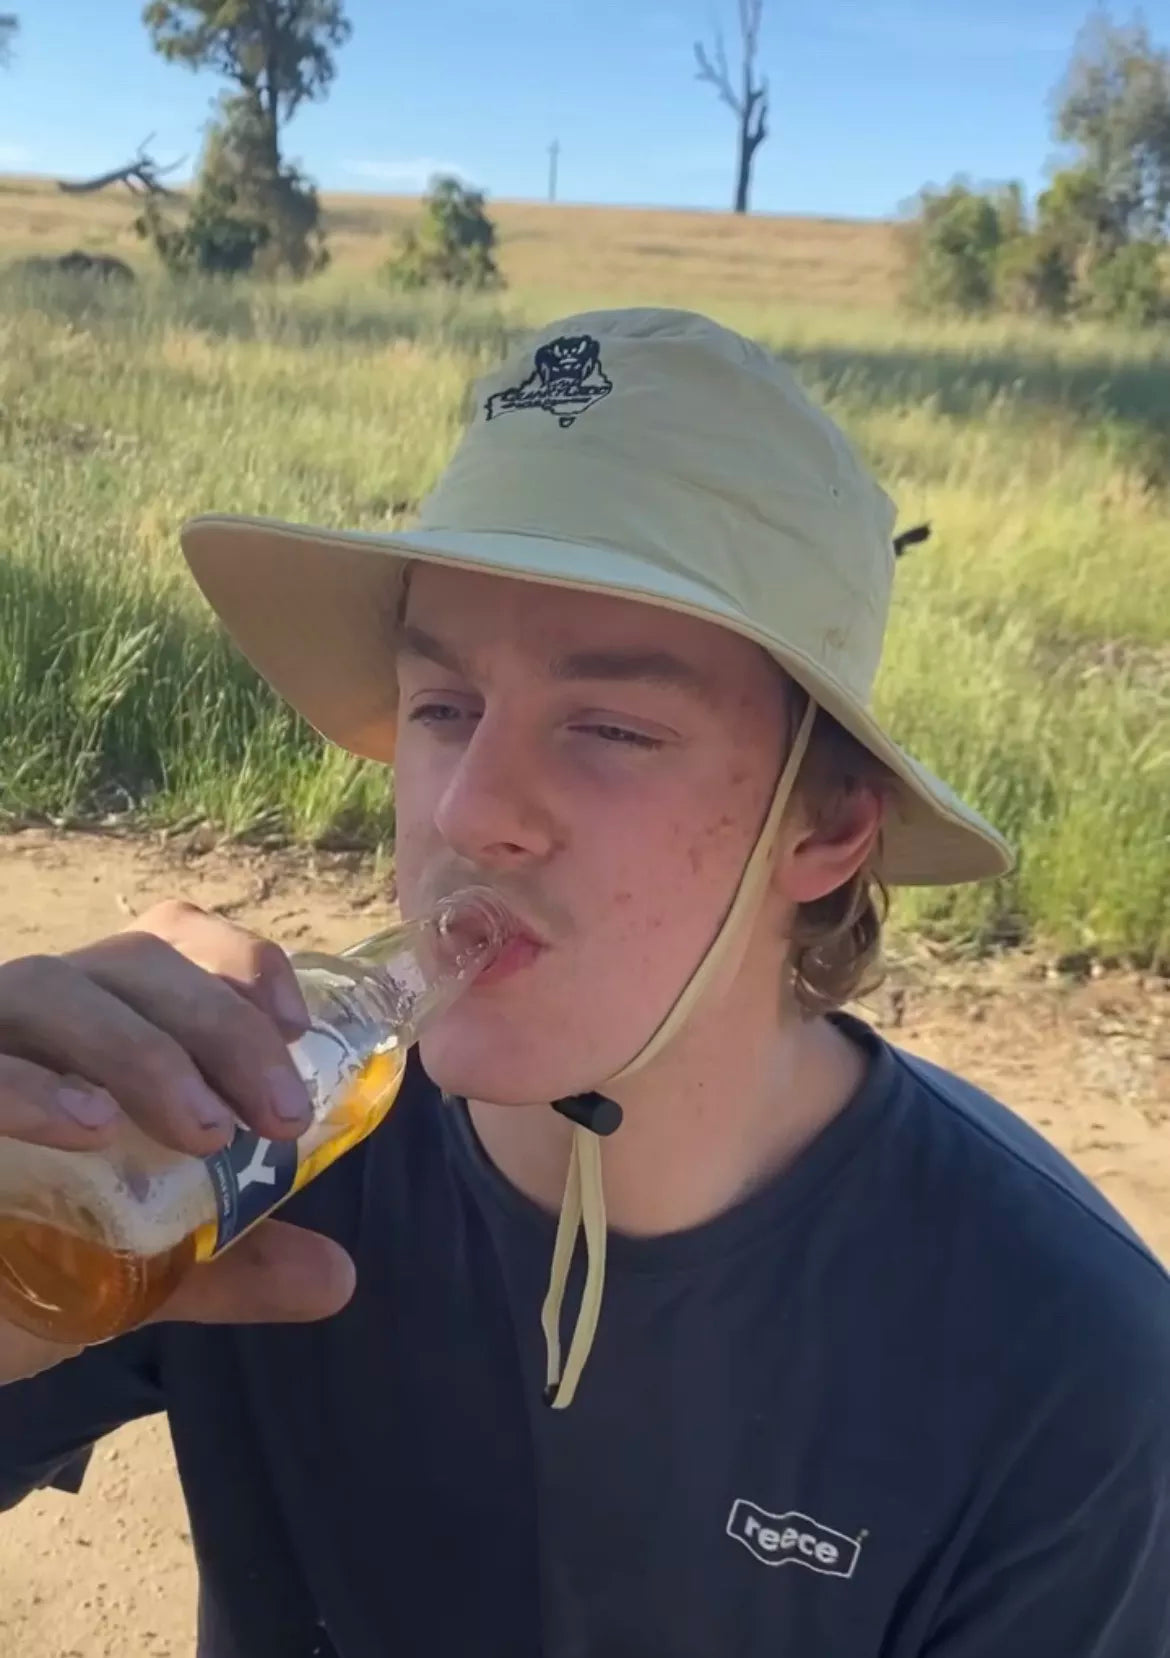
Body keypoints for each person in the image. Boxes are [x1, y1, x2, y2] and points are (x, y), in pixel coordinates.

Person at [1, 307, 1168, 1658]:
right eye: (441, 706)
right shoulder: (241, 1145)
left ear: (827, 823)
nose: (474, 808)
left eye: (610, 725)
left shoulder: (1059, 1365)